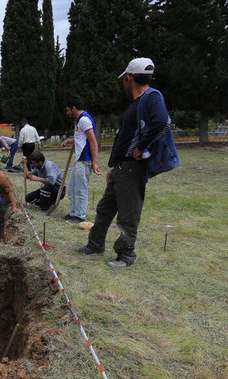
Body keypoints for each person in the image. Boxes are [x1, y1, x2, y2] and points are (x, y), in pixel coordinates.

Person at [78, 57, 169, 268]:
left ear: (129, 78)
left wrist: (142, 146)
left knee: (128, 214)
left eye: (124, 79)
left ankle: (126, 255)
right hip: (121, 168)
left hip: (132, 169)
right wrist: (115, 167)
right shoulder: (136, 104)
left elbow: (163, 122)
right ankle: (94, 245)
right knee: (104, 209)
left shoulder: (151, 97)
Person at [61, 96, 102, 224]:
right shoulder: (80, 121)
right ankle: (73, 213)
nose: (67, 113)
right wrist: (69, 140)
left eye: (68, 110)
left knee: (80, 189)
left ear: (74, 108)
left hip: (84, 160)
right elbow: (82, 140)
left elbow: (93, 141)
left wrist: (94, 163)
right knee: (72, 188)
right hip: (79, 160)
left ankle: (79, 216)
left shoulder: (84, 120)